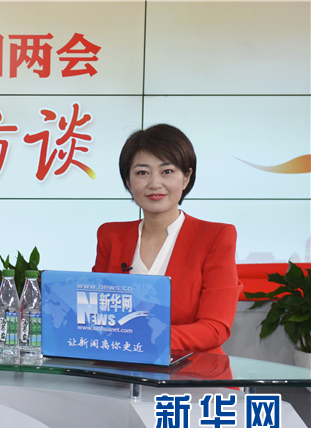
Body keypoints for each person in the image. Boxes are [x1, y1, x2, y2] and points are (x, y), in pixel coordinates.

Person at [92, 124, 242, 355]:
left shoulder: (216, 236)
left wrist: (143, 338)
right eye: (142, 173)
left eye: (167, 171)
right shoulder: (111, 236)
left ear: (186, 178)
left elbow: (215, 328)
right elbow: (97, 315)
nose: (154, 183)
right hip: (121, 366)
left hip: (192, 370)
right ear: (128, 182)